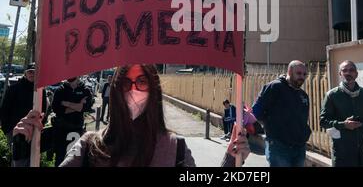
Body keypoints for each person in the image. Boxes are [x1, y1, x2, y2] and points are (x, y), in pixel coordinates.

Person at [13, 64, 250, 167]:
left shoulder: (175, 148)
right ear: (115, 91)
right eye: (126, 83)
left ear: (154, 90)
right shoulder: (89, 147)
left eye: (142, 82)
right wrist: (22, 149)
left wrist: (231, 159)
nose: (134, 90)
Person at [252, 60, 311, 167]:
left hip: (299, 148)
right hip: (279, 147)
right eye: (298, 73)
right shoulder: (274, 87)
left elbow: (303, 119)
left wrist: (305, 132)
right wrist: (271, 126)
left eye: (304, 74)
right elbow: (256, 110)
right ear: (289, 71)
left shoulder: (303, 95)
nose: (302, 77)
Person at [0, 63, 47, 167]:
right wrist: (8, 130)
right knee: (18, 159)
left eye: (34, 72)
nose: (32, 74)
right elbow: (4, 110)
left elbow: (44, 110)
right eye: (30, 71)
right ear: (25, 73)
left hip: (34, 130)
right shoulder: (14, 88)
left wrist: (40, 127)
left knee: (33, 158)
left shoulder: (41, 91)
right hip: (16, 130)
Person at [51, 76, 93, 166]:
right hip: (61, 130)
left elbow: (86, 107)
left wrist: (66, 103)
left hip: (76, 129)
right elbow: (56, 109)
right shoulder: (60, 90)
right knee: (60, 158)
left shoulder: (85, 90)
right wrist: (78, 106)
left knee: (74, 158)